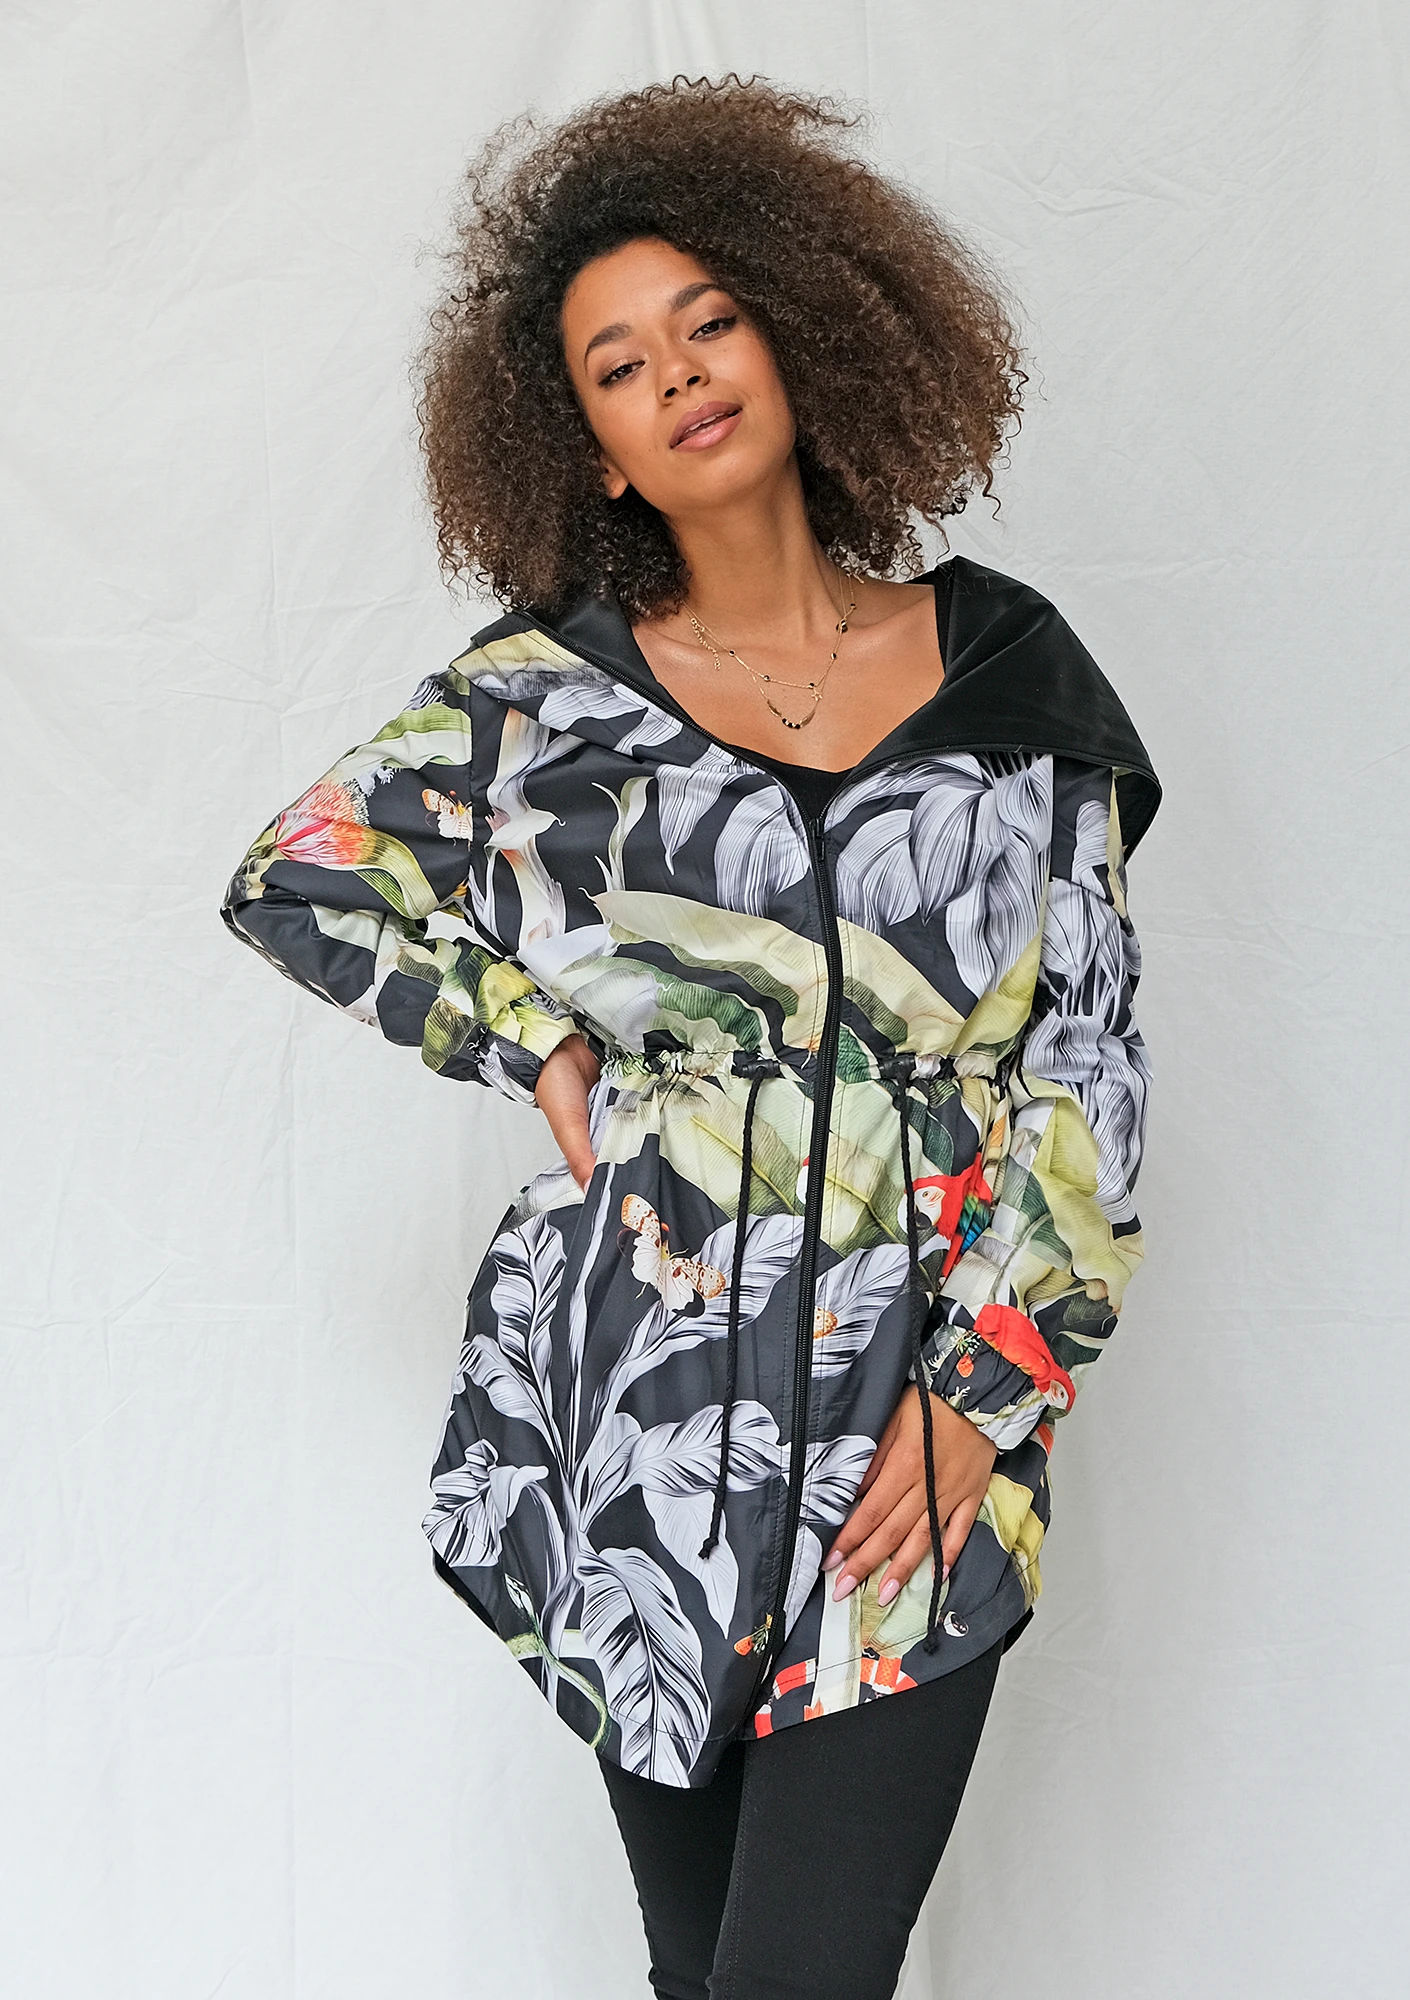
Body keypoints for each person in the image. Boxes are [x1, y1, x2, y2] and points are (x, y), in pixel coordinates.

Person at [221, 77, 1160, 2000]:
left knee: (799, 1971)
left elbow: (1090, 1064)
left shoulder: (1006, 673)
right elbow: (302, 876)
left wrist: (985, 1393)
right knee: (705, 1972)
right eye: (617, 366)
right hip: (644, 1405)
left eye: (708, 321)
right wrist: (527, 1040)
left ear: (798, 333)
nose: (677, 374)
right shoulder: (542, 703)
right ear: (592, 452)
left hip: (917, 1405)